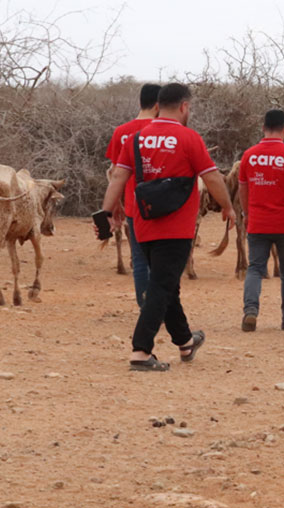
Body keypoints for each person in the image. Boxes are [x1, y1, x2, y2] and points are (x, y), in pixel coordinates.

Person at [99, 83, 235, 371]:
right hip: (177, 226)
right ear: (184, 107)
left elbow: (118, 177)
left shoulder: (135, 139)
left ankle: (186, 342)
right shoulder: (189, 138)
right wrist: (228, 206)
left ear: (158, 105)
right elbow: (212, 179)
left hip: (144, 223)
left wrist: (106, 212)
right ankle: (140, 350)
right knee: (161, 286)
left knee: (167, 285)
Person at [238, 109, 284, 333]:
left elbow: (243, 189)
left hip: (258, 222)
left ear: (263, 128)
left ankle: (250, 311)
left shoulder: (249, 155)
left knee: (255, 268)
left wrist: (247, 214)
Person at [106, 83, 160, 306]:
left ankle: (144, 306)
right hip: (163, 205)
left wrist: (115, 204)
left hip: (133, 205)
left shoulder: (121, 132)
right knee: (161, 261)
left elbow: (116, 174)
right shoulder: (165, 131)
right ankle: (160, 306)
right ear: (159, 105)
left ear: (140, 102)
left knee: (139, 259)